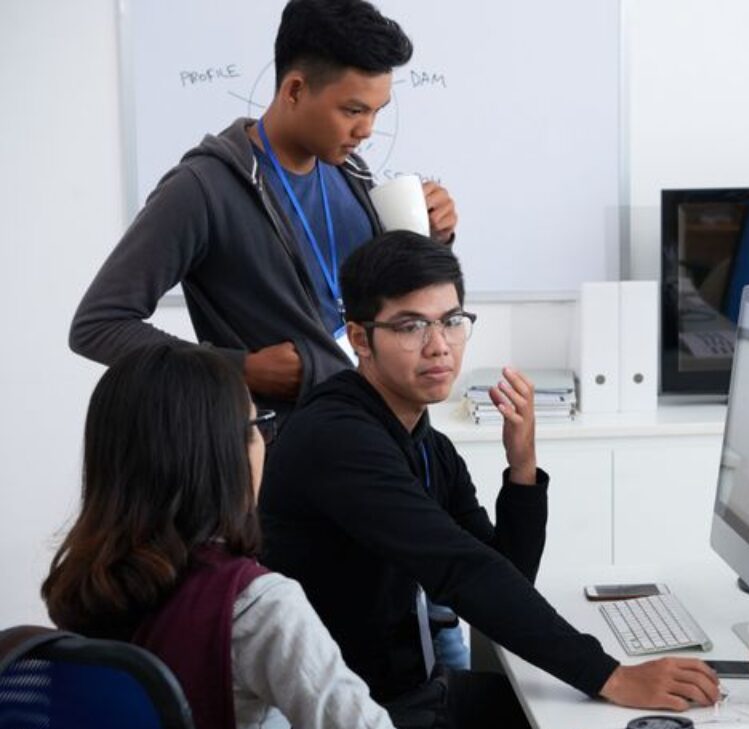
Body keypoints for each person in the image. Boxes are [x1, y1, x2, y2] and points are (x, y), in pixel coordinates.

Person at [258, 231, 720, 729]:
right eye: (410, 326)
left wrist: (521, 464)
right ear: (360, 338)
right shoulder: (340, 440)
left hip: (417, 698)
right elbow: (464, 574)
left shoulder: (421, 439)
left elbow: (502, 570)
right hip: (348, 727)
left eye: (452, 321)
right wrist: (610, 674)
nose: (439, 346)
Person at [41, 344, 480, 729]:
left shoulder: (85, 581)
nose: (264, 445)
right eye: (257, 428)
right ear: (219, 454)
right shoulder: (257, 607)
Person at [68, 0, 458, 422]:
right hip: (278, 461)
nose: (366, 130)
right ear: (293, 90)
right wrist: (240, 369)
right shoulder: (202, 188)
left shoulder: (353, 176)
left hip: (371, 431)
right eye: (353, 110)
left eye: (376, 112)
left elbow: (391, 306)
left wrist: (435, 241)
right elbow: (98, 325)